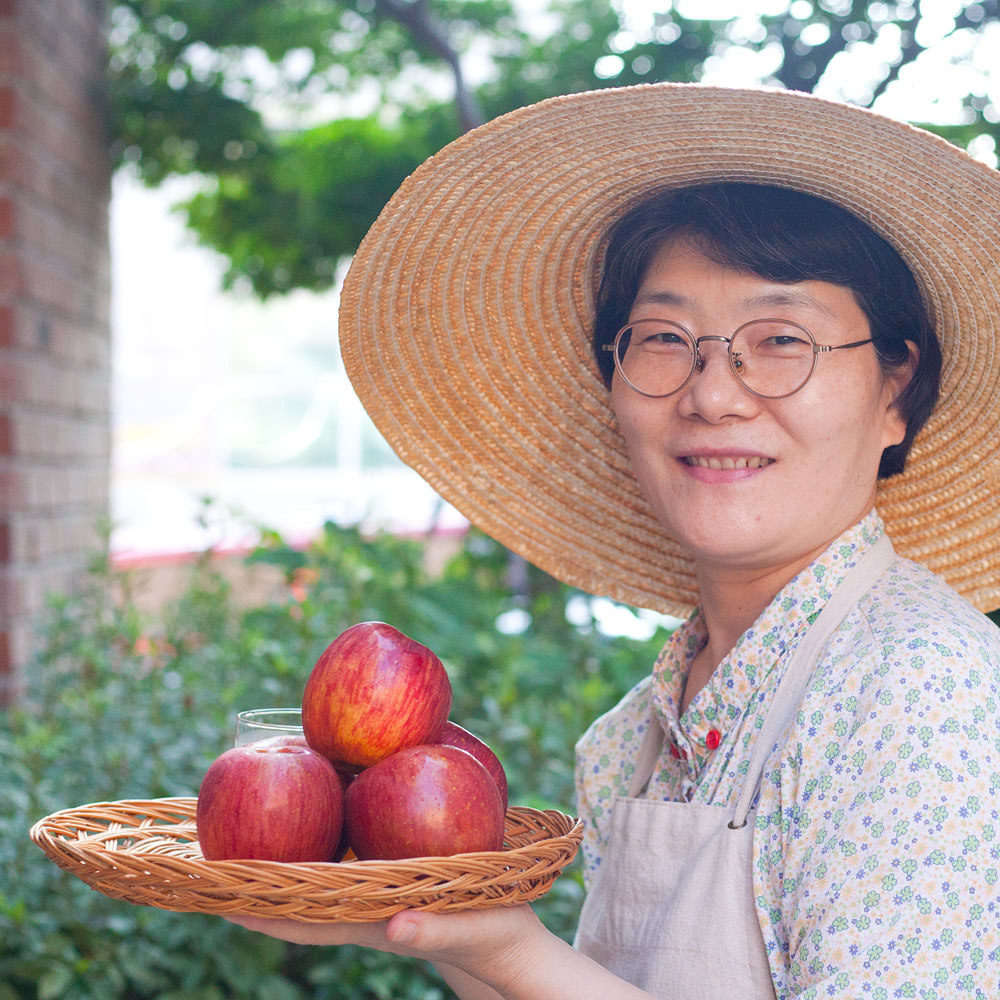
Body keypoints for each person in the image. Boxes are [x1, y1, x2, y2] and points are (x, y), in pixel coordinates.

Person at [227, 84, 1000, 998]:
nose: (713, 393)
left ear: (897, 392)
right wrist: (433, 924)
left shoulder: (926, 693)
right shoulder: (632, 734)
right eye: (666, 338)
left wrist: (517, 950)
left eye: (782, 337)